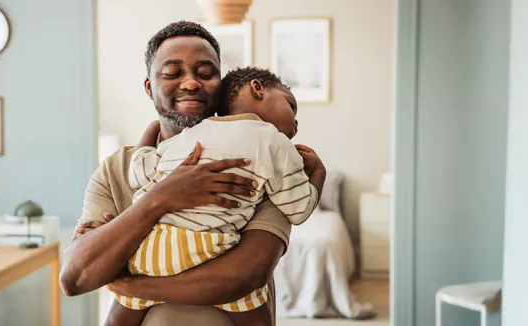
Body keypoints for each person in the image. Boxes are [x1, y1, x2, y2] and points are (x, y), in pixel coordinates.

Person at [58, 21, 327, 326]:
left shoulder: (252, 159)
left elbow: (245, 274)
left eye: (205, 74)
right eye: (173, 73)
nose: (190, 84)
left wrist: (125, 281)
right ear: (150, 87)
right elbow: (75, 277)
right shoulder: (116, 168)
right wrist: (160, 199)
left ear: (220, 85)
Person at [106, 66, 318, 326]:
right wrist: (318, 172)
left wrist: (150, 132)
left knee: (118, 320)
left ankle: (132, 291)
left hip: (152, 249)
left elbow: (138, 174)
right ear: (258, 89)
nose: (296, 122)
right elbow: (299, 209)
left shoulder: (190, 134)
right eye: (291, 105)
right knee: (258, 315)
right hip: (212, 254)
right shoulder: (275, 142)